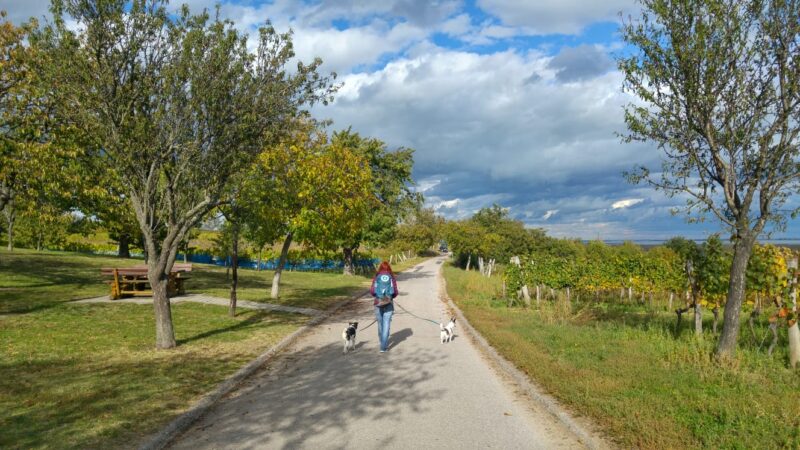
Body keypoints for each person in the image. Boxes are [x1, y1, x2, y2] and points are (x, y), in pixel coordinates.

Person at [370, 260, 398, 352]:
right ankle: (383, 347)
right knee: (386, 324)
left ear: (380, 268)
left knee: (380, 324)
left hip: (378, 302)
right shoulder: (391, 277)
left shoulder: (377, 276)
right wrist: (389, 297)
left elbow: (372, 291)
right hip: (388, 303)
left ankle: (382, 342)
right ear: (389, 268)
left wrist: (378, 296)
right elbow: (395, 292)